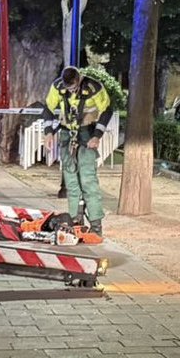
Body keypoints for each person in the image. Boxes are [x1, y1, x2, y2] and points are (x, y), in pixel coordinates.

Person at [43, 66, 114, 233]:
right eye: (69, 88)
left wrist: (97, 136)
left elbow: (106, 110)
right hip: (68, 136)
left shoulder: (93, 87)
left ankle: (96, 226)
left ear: (79, 79)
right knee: (71, 182)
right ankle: (76, 219)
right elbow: (47, 108)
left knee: (88, 180)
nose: (72, 91)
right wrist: (48, 133)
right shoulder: (58, 87)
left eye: (74, 87)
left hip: (87, 134)